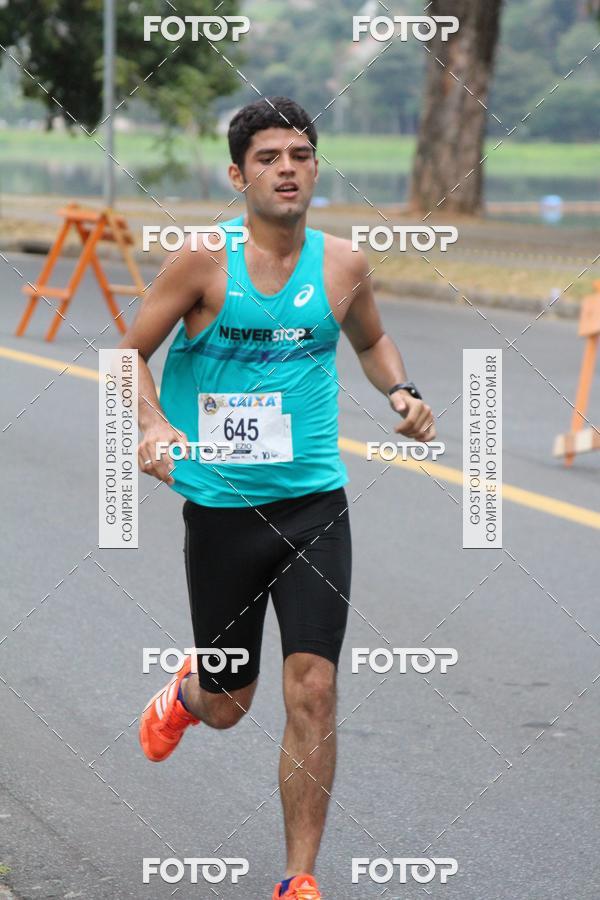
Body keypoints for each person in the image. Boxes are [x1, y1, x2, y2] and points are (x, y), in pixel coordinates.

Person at [121, 96, 436, 900]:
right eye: (268, 157)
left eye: (300, 154)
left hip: (312, 507)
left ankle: (299, 879)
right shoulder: (200, 262)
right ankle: (189, 692)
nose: (286, 167)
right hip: (223, 513)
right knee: (230, 705)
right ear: (238, 175)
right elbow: (127, 356)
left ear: (316, 168)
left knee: (316, 688)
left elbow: (369, 338)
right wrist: (153, 425)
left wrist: (401, 390)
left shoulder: (343, 264)